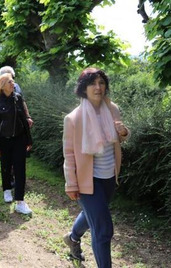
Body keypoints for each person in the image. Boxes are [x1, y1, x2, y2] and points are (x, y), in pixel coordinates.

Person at [62, 68, 130, 267]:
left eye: (101, 82)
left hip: (110, 176)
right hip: (87, 181)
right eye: (92, 83)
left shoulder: (112, 109)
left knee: (91, 214)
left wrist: (124, 132)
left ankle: (72, 238)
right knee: (103, 229)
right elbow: (69, 154)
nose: (98, 87)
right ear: (83, 88)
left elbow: (119, 138)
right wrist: (71, 184)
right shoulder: (73, 118)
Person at [0, 73, 33, 215]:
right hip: (3, 140)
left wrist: (29, 139)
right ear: (2, 85)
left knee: (20, 169)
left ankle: (20, 201)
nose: (13, 84)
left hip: (19, 139)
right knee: (6, 166)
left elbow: (24, 120)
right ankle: (7, 189)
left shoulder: (18, 98)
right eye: (10, 82)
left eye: (13, 82)